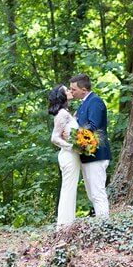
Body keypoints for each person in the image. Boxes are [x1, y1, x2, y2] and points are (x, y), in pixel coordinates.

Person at [69, 73, 111, 219]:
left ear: (84, 89)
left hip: (97, 153)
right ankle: (101, 222)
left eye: (73, 89)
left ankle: (104, 225)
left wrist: (72, 134)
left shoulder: (95, 102)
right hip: (87, 154)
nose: (71, 92)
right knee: (91, 193)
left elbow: (93, 126)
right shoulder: (84, 104)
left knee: (97, 192)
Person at [48, 85, 80, 228]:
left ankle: (67, 223)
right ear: (62, 96)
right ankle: (64, 225)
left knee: (70, 188)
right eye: (66, 90)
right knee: (68, 189)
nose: (70, 92)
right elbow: (54, 138)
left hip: (72, 156)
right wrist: (71, 146)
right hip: (68, 155)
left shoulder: (66, 113)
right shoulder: (61, 114)